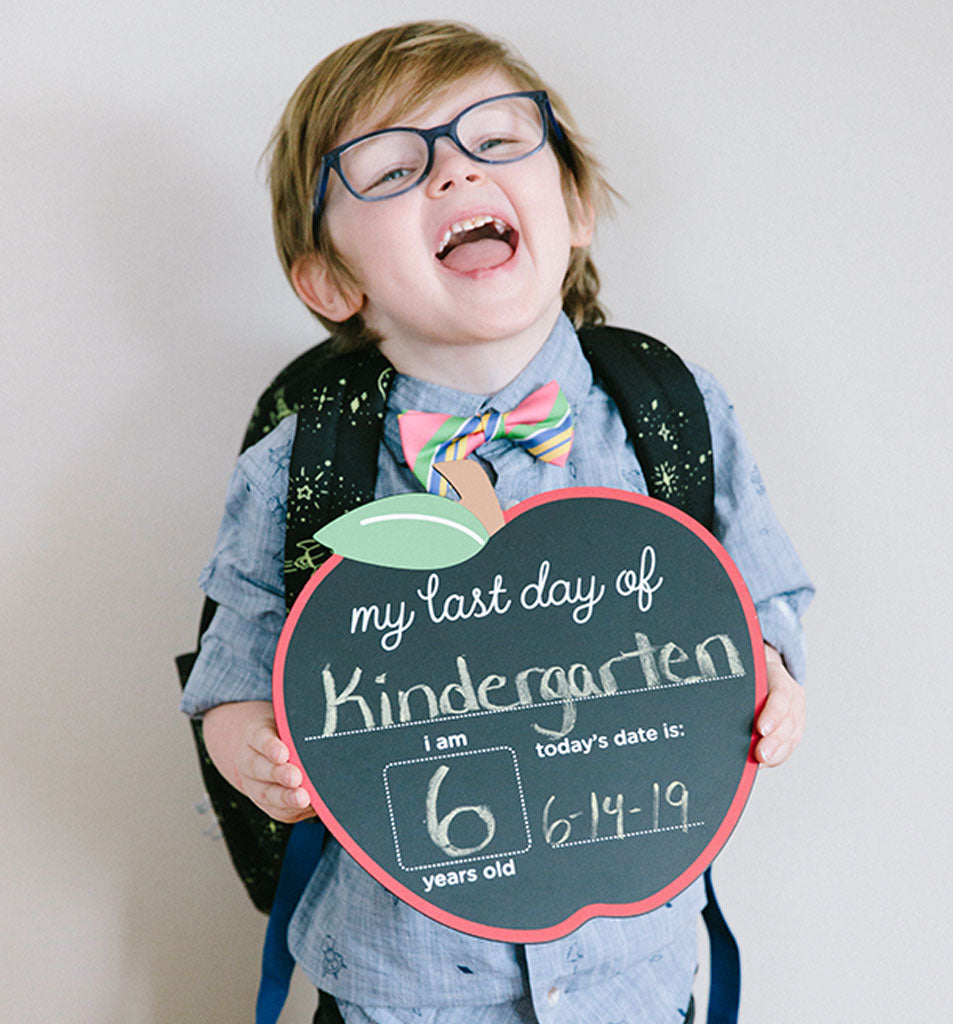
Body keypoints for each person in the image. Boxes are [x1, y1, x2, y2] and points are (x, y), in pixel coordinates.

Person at [181, 20, 813, 1024]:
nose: (451, 172)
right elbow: (232, 664)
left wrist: (771, 669)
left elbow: (761, 592)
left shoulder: (671, 412)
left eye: (497, 139)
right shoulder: (302, 465)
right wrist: (245, 740)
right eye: (390, 168)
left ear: (574, 204)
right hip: (402, 985)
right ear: (331, 282)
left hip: (635, 978)